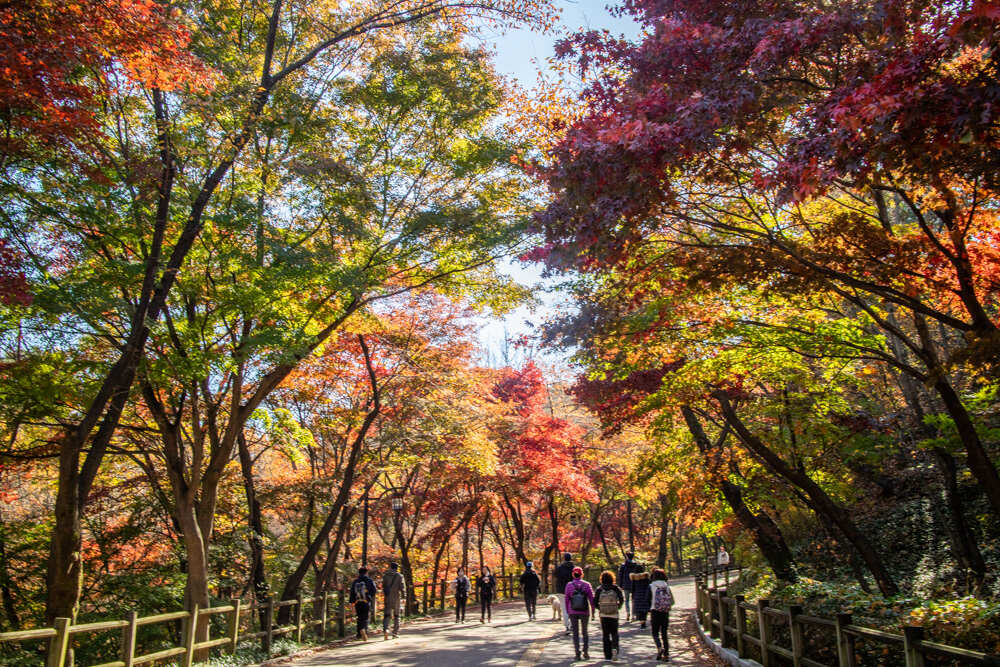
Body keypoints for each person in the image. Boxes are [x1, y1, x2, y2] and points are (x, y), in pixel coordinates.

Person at [564, 566, 595, 661]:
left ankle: (577, 653)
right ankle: (585, 652)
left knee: (575, 633)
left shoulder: (569, 585)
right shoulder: (587, 584)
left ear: (573, 574)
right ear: (582, 574)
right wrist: (593, 611)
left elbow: (566, 599)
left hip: (573, 611)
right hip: (584, 610)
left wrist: (567, 611)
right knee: (585, 632)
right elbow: (591, 599)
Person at [596, 570, 625, 661]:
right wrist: (618, 607)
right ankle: (615, 648)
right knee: (614, 633)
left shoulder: (599, 589)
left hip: (603, 614)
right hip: (614, 614)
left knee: (605, 634)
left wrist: (600, 608)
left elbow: (594, 601)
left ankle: (607, 655)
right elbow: (621, 599)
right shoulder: (616, 588)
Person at [648, 567, 675, 662]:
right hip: (665, 612)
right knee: (664, 633)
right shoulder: (666, 586)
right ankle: (666, 654)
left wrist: (649, 608)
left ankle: (659, 647)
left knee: (655, 632)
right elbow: (672, 601)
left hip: (655, 611)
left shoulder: (651, 586)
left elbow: (647, 599)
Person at [349, 567, 377, 641]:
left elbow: (352, 592)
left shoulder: (355, 581)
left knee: (359, 617)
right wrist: (369, 596)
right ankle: (364, 630)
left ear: (359, 573)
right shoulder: (369, 580)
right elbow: (374, 590)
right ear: (366, 573)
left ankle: (358, 634)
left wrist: (352, 602)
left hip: (357, 602)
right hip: (366, 601)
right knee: (365, 617)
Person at [382, 561, 406, 640]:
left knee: (387, 615)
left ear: (390, 567)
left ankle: (386, 629)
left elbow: (383, 586)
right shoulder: (399, 576)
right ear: (397, 568)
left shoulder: (385, 575)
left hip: (387, 597)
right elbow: (402, 588)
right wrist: (404, 597)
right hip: (396, 597)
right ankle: (395, 633)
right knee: (397, 615)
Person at [617, 552, 642, 622]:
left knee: (627, 600)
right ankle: (633, 615)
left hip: (625, 584)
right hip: (634, 584)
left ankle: (628, 613)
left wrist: (620, 585)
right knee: (634, 600)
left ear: (627, 557)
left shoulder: (623, 566)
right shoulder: (636, 565)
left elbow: (620, 576)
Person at [554, 553, 575, 633]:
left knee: (564, 608)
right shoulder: (574, 568)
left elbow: (555, 574)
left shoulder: (560, 568)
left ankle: (567, 626)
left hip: (561, 590)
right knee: (573, 607)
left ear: (564, 558)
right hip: (573, 590)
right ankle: (573, 624)